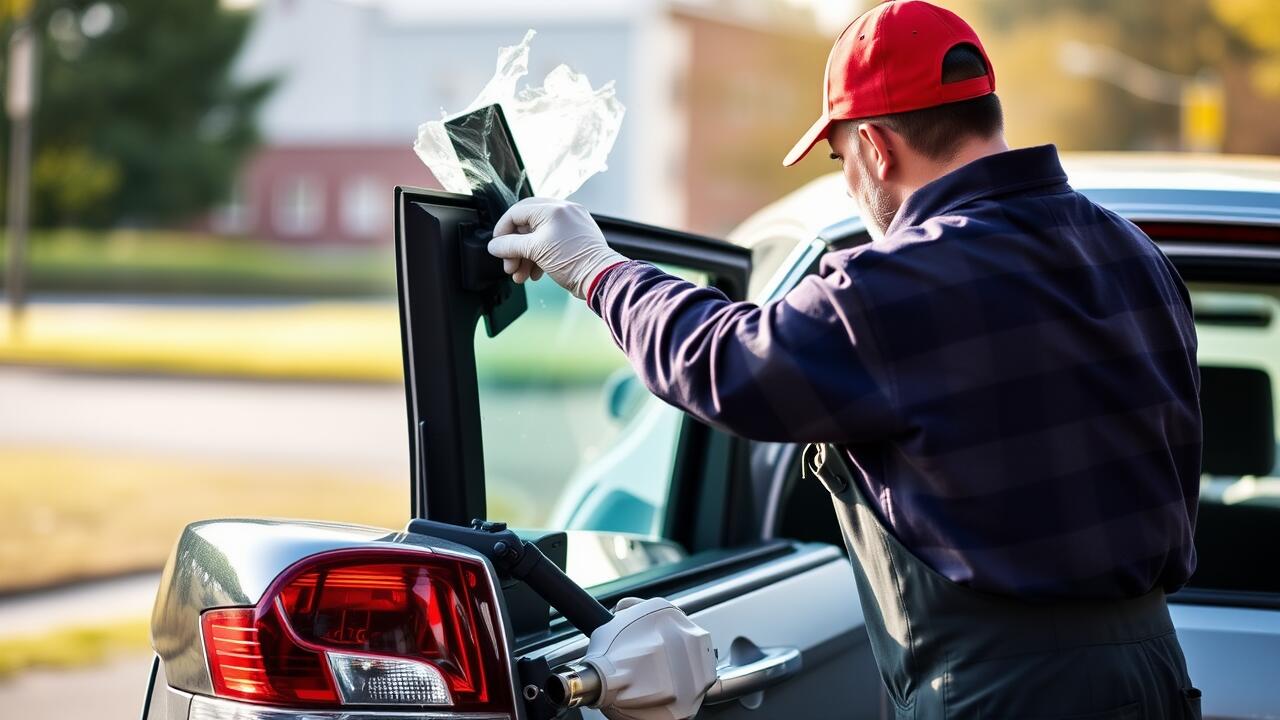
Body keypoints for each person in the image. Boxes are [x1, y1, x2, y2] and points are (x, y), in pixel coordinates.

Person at [487, 1, 1202, 717]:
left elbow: (726, 362)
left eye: (840, 161)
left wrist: (594, 268)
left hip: (1006, 695)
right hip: (1156, 675)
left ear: (877, 148)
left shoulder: (903, 279)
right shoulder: (1136, 256)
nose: (850, 183)